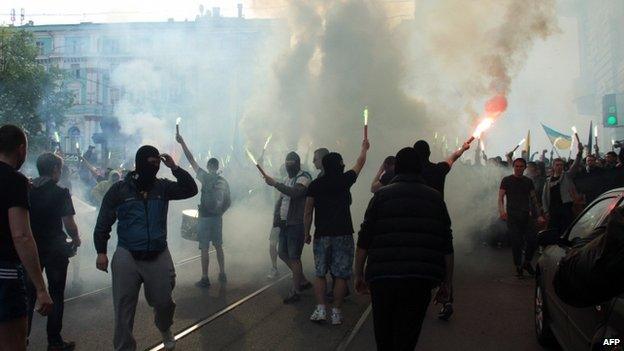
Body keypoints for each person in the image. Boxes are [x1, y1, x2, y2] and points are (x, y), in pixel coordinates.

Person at [94, 145, 198, 351]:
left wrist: (175, 168)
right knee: (123, 309)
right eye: (151, 163)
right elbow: (103, 222)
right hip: (127, 255)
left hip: (158, 253)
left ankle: (165, 327)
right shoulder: (119, 190)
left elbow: (190, 189)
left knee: (164, 302)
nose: (155, 167)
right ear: (140, 163)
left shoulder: (163, 188)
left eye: (158, 163)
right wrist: (101, 251)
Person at [354, 147, 454, 350]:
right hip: (420, 277)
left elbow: (364, 240)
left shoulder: (380, 196)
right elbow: (446, 245)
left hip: (383, 277)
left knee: (384, 334)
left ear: (396, 168)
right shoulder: (435, 199)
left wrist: (359, 274)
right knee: (408, 334)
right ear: (419, 168)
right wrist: (447, 283)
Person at [0, 125, 53, 351]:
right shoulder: (14, 180)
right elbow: (21, 236)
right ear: (21, 150)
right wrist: (40, 288)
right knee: (12, 343)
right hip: (5, 275)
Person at [305, 139, 369, 325]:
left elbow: (308, 210)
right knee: (341, 275)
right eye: (341, 161)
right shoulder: (345, 179)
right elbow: (360, 163)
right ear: (338, 164)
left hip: (322, 234)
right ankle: (336, 312)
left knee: (320, 273)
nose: (343, 164)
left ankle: (320, 309)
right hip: (343, 234)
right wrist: (364, 148)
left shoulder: (315, 185)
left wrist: (306, 232)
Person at [26, 152, 81, 351]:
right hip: (55, 248)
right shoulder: (61, 192)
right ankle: (54, 341)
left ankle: (22, 337)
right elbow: (69, 223)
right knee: (56, 294)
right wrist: (76, 238)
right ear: (56, 170)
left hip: (31, 247)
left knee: (29, 294)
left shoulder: (27, 190)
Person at [176, 134, 231, 287]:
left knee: (205, 248)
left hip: (205, 218)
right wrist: (220, 213)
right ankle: (222, 273)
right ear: (217, 167)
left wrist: (182, 142)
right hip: (217, 218)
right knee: (219, 246)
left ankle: (205, 277)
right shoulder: (223, 182)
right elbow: (228, 201)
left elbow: (191, 159)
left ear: (208, 167)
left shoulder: (205, 177)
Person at [263, 152, 313, 303]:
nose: (288, 165)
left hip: (296, 223)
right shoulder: (287, 178)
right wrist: (276, 220)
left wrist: (275, 184)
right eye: (287, 163)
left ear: (297, 164)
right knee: (282, 253)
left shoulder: (304, 177)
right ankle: (302, 280)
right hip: (284, 224)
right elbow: (281, 201)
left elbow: (296, 193)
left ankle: (296, 290)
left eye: (291, 163)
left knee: (294, 257)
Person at [499, 158, 546, 277]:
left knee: (533, 240)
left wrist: (539, 214)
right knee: (516, 242)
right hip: (512, 216)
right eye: (517, 166)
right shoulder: (506, 180)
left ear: (524, 168)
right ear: (513, 167)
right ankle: (518, 266)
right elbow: (500, 198)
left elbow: (534, 199)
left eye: (521, 166)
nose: (519, 168)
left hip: (526, 215)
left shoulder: (528, 181)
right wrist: (502, 211)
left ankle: (527, 262)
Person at [543, 158, 578, 235]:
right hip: (553, 209)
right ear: (553, 166)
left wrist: (579, 153)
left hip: (565, 207)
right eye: (557, 165)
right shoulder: (548, 181)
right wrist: (546, 211)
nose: (559, 167)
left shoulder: (567, 176)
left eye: (561, 165)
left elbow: (575, 166)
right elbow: (544, 197)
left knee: (565, 231)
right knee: (553, 231)